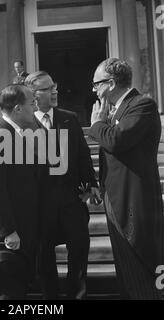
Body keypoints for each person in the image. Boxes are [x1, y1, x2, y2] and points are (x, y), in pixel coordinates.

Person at [88, 57, 164, 299]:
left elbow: (116, 140)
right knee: (124, 266)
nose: (94, 90)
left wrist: (97, 124)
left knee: (138, 262)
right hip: (116, 196)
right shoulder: (117, 108)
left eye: (96, 84)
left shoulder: (142, 104)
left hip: (133, 199)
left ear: (110, 83)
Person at [25, 71, 100, 299]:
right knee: (44, 256)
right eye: (48, 88)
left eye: (54, 86)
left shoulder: (69, 117)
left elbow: (82, 155)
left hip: (71, 200)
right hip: (40, 205)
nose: (55, 91)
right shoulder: (23, 124)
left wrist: (92, 183)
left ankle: (77, 295)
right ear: (33, 95)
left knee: (79, 248)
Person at [0, 84, 44, 299]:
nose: (35, 109)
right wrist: (8, 231)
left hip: (23, 228)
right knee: (9, 292)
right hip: (10, 233)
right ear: (17, 109)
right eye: (31, 104)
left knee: (17, 290)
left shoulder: (16, 133)